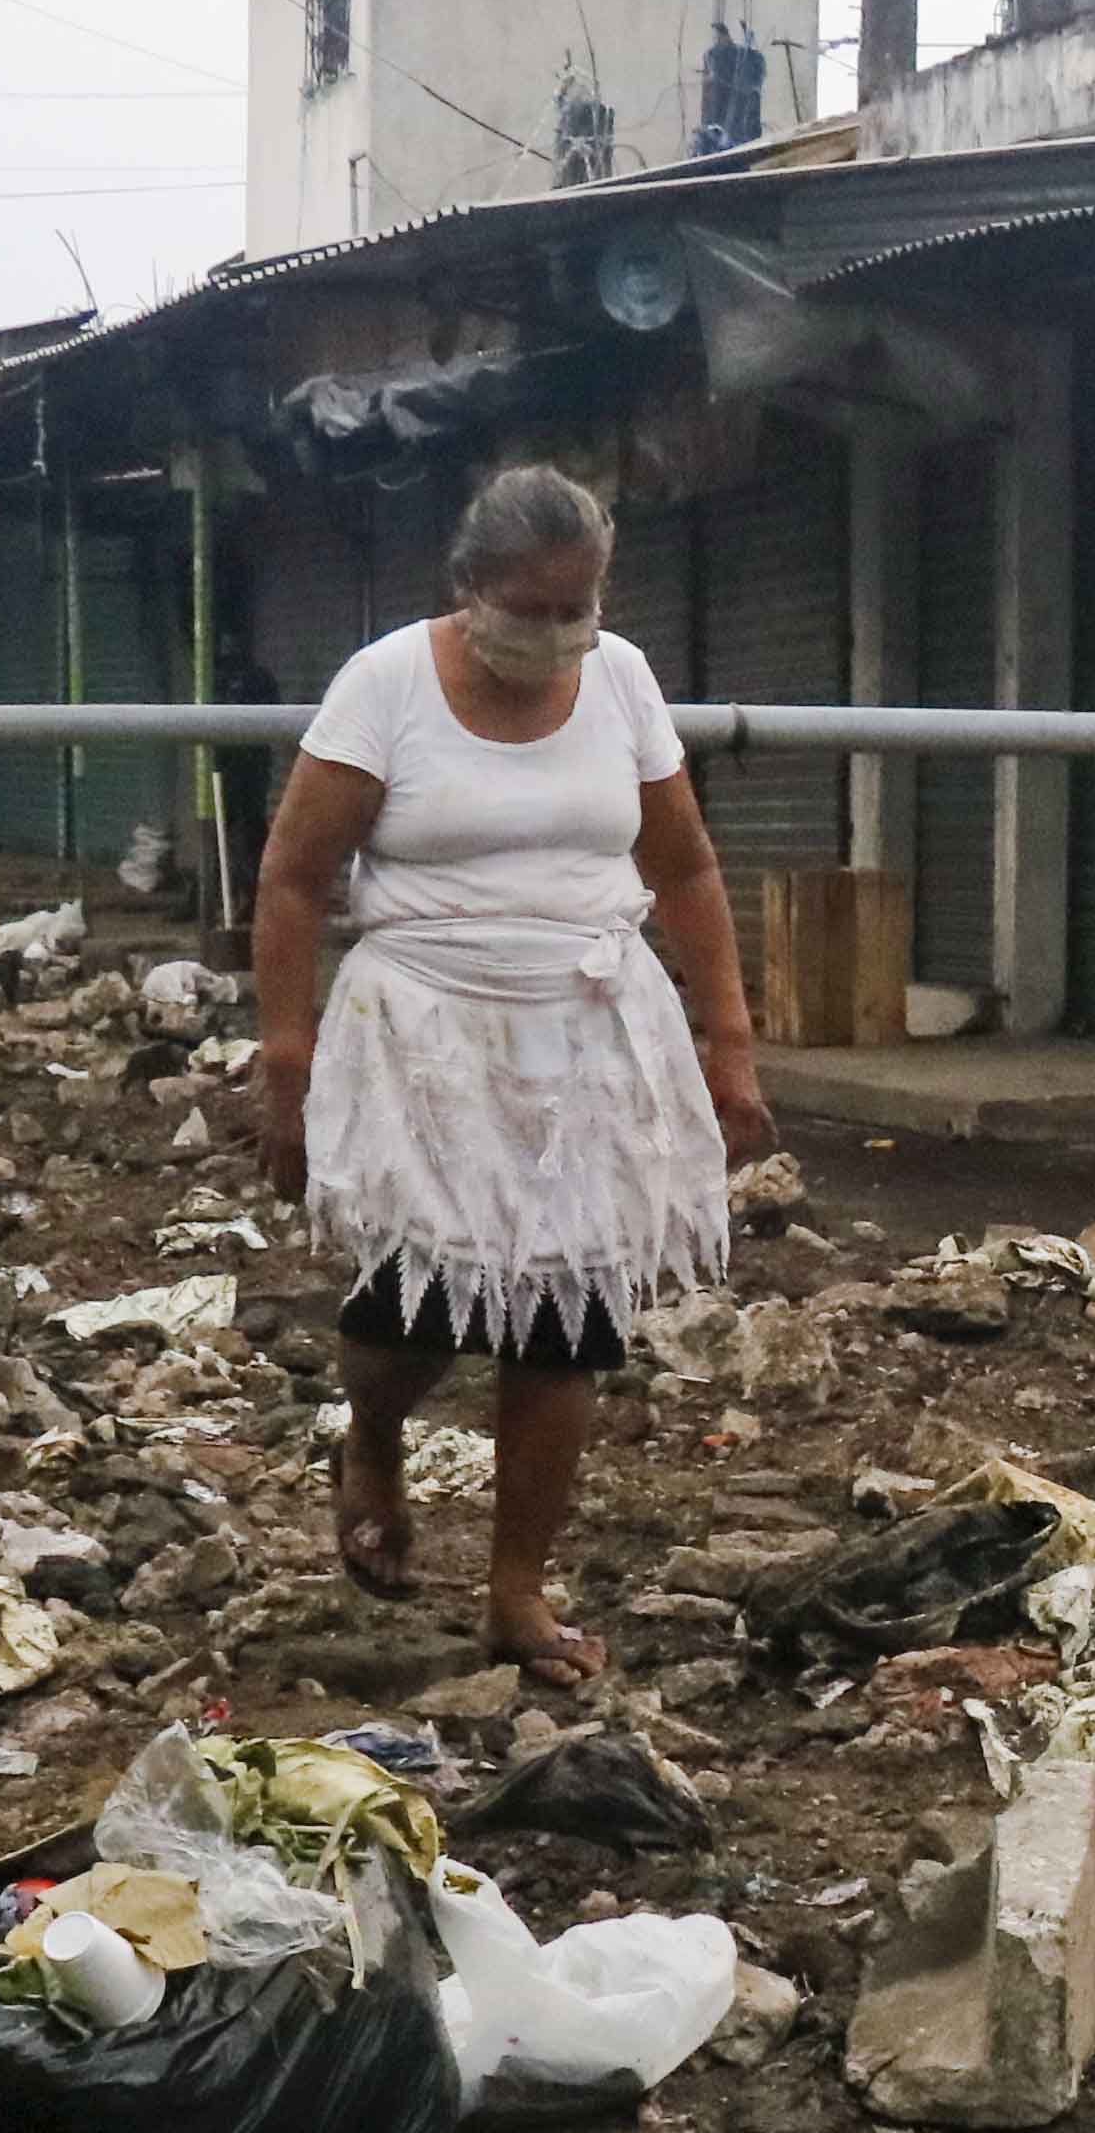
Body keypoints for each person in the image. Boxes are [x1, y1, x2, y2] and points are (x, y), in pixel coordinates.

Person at [255, 462, 775, 1688]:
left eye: (576, 606)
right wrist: (287, 1056)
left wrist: (730, 1040)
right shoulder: (385, 685)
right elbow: (292, 878)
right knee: (424, 1305)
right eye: (531, 607)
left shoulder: (623, 680)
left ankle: (515, 1592)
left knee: (566, 1319)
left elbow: (687, 868)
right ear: (471, 584)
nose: (556, 633)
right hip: (428, 1030)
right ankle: (374, 1437)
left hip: (584, 1029)